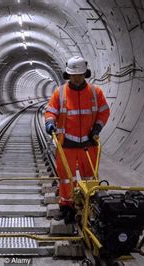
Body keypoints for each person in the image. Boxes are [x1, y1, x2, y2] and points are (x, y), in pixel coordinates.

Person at [44, 56, 110, 224]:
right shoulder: (60, 92)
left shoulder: (96, 92)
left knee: (90, 178)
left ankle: (90, 207)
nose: (77, 78)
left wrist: (97, 128)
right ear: (68, 75)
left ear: (85, 74)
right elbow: (50, 111)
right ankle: (66, 207)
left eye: (79, 75)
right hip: (66, 144)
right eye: (73, 75)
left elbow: (104, 112)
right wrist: (50, 122)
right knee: (66, 178)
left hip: (89, 144)